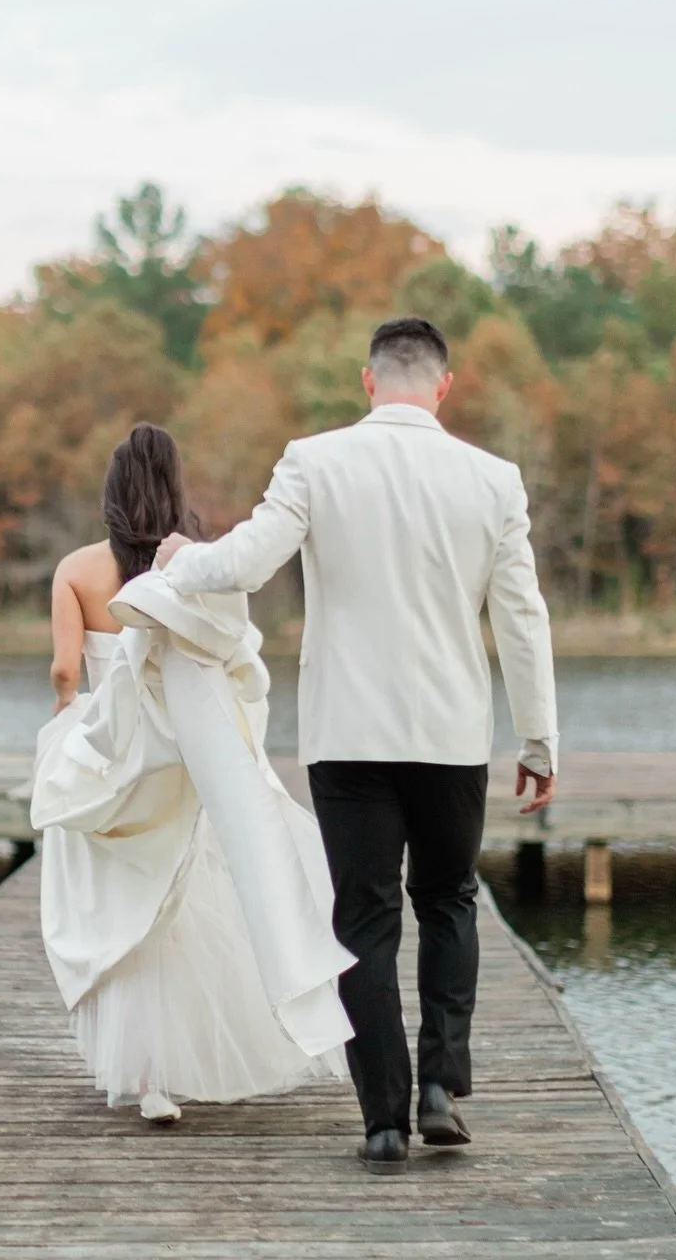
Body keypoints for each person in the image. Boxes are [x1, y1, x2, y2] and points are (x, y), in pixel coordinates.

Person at [156, 316, 558, 1174]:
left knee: (364, 918)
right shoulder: (493, 481)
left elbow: (247, 563)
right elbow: (523, 620)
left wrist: (182, 559)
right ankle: (442, 1085)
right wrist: (539, 738)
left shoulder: (315, 459)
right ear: (443, 386)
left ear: (369, 381)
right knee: (448, 900)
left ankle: (382, 1119)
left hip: (347, 735)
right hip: (450, 737)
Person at [31, 423, 354, 1125]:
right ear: (175, 492)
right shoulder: (196, 568)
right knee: (190, 904)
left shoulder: (77, 570)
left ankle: (147, 1077)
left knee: (127, 905)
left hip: (120, 760)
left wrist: (68, 720)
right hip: (186, 755)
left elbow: (64, 670)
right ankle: (210, 1055)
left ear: (111, 495)